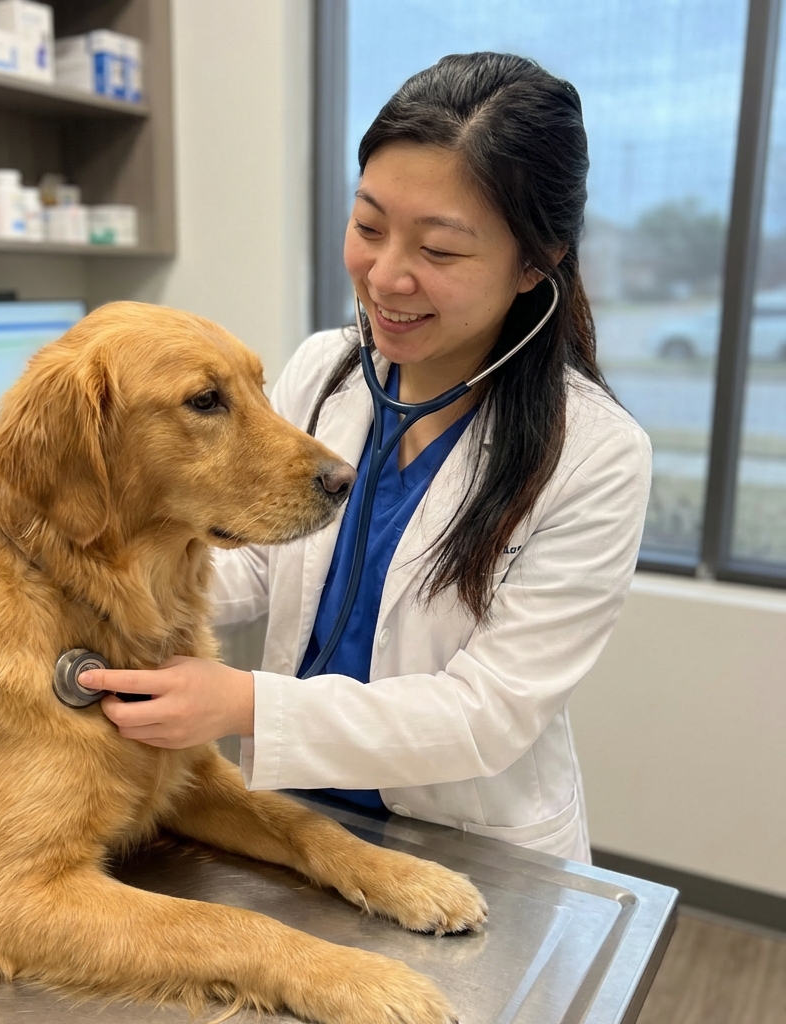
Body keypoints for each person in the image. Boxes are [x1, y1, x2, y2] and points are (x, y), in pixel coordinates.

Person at [78, 52, 651, 862]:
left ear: (536, 261)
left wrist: (242, 702)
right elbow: (250, 558)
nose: (385, 276)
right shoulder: (326, 371)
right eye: (369, 226)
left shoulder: (596, 455)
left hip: (462, 838)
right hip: (294, 816)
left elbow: (485, 715)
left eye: (441, 251)